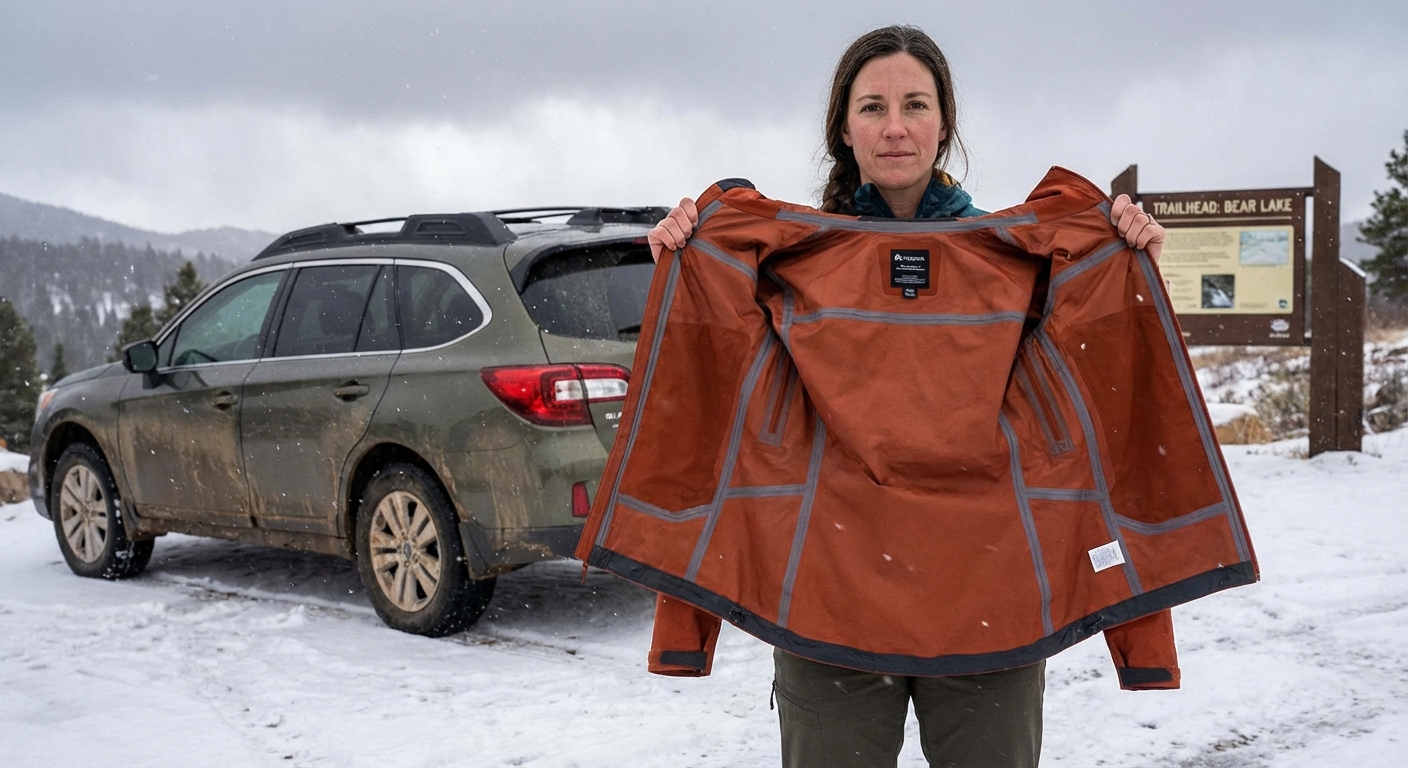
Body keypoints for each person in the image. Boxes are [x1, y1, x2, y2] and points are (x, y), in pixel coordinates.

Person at [643, 25, 1166, 768]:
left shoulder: (1023, 263)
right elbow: (714, 389)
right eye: (873, 108)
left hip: (990, 601)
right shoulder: (785, 266)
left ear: (943, 126)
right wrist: (692, 249)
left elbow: (1099, 392)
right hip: (833, 600)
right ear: (845, 130)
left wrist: (1121, 255)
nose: (895, 127)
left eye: (915, 105)